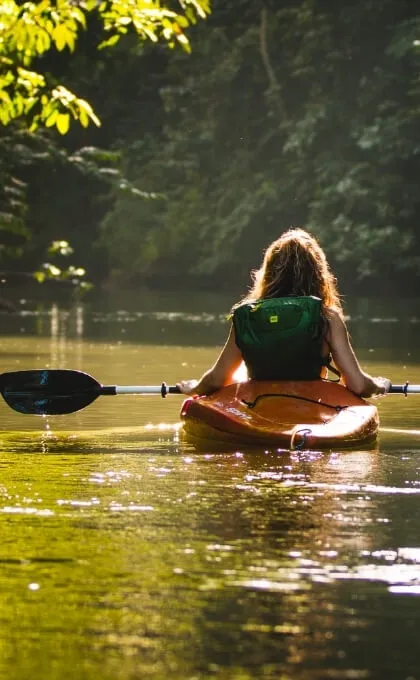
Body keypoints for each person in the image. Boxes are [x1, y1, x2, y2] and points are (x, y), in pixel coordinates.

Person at [177, 228, 391, 398]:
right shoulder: (327, 318)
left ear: (269, 272)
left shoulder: (248, 316)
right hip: (311, 405)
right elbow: (358, 385)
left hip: (258, 405)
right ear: (318, 274)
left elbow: (217, 380)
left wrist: (195, 387)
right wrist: (380, 385)